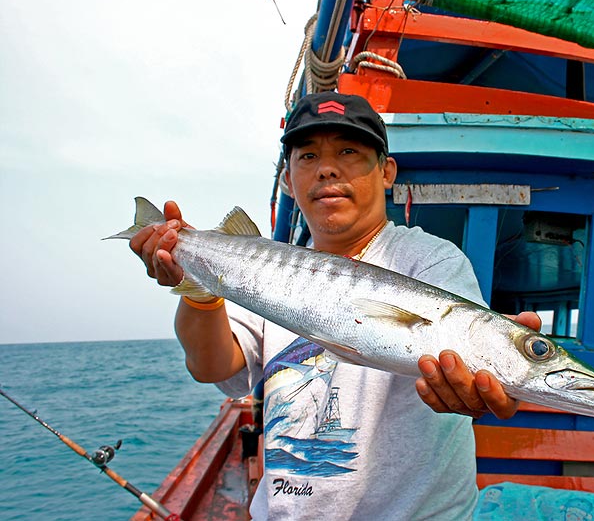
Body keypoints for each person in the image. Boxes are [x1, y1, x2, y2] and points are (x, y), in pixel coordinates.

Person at [130, 91, 541, 519]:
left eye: (348, 150)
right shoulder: (261, 269)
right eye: (307, 156)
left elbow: (459, 350)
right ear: (288, 180)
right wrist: (190, 278)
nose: (327, 168)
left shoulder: (431, 260)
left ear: (387, 171)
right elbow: (213, 367)